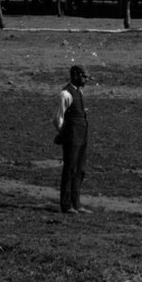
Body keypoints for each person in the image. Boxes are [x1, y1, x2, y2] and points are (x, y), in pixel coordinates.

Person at [53, 65, 90, 213]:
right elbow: (57, 118)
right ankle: (66, 205)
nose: (86, 80)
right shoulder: (65, 94)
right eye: (84, 77)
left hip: (82, 136)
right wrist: (64, 134)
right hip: (72, 136)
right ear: (75, 75)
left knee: (80, 170)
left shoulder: (79, 92)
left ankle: (77, 203)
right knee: (69, 169)